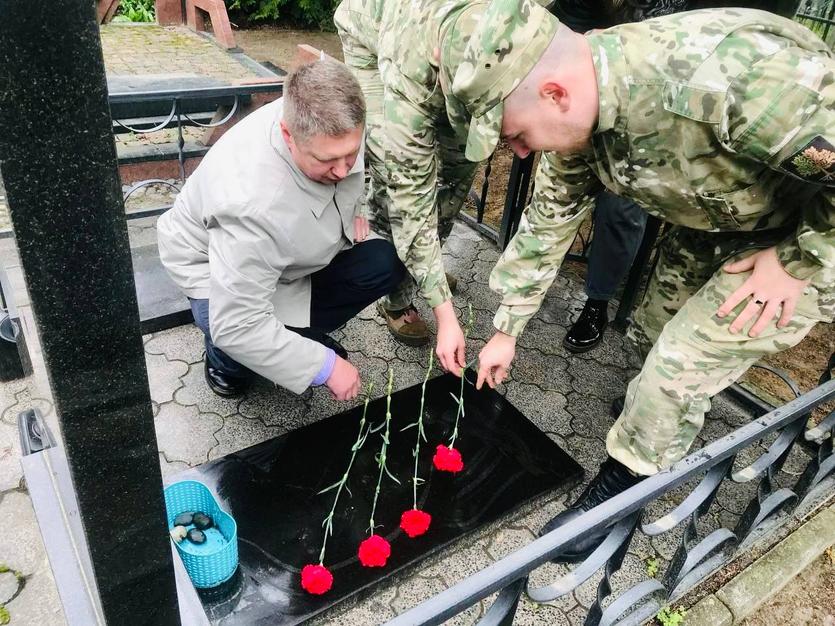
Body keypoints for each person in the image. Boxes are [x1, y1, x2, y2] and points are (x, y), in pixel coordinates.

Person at [456, 0, 835, 560]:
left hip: (806, 243)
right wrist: (506, 328)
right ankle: (659, 419)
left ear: (556, 93)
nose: (515, 151)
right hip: (720, 219)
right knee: (651, 333)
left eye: (514, 133)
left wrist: (796, 261)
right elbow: (548, 220)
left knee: (675, 367)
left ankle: (620, 493)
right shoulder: (579, 120)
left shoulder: (734, 76)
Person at [157, 59, 406, 401]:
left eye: (350, 154)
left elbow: (346, 167)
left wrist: (355, 210)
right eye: (327, 161)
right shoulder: (249, 203)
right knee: (234, 332)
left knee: (384, 262)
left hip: (292, 252)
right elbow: (238, 324)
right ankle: (225, 361)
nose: (343, 169)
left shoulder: (325, 121)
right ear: (289, 135)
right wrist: (324, 367)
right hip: (214, 268)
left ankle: (295, 334)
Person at [333, 0, 498, 372]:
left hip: (445, 50)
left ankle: (425, 266)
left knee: (458, 171)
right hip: (373, 38)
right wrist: (445, 313)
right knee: (394, 171)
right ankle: (397, 294)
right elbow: (411, 192)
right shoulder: (410, 58)